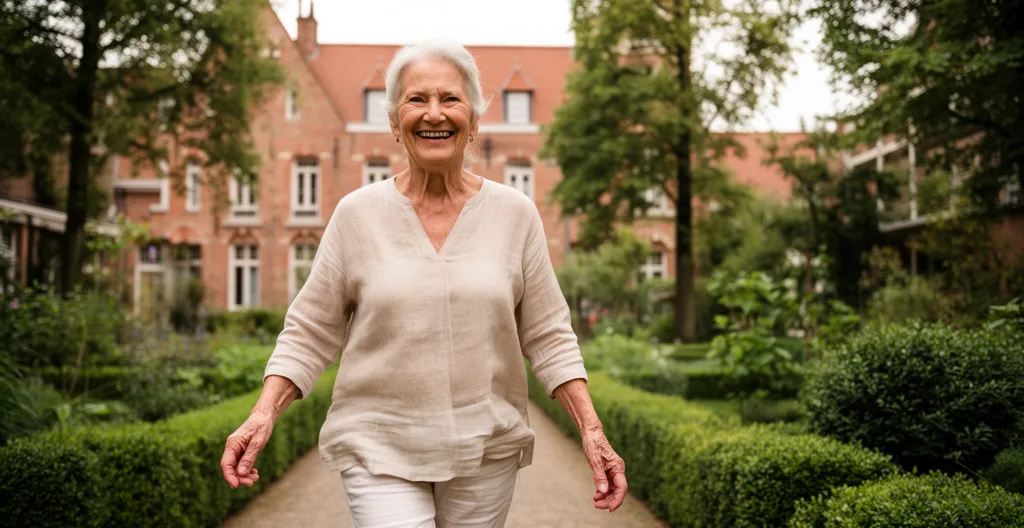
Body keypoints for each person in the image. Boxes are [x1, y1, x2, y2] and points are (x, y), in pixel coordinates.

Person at [220, 38, 628, 527]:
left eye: (450, 99)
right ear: (394, 122)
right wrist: (263, 414)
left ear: (474, 121)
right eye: (417, 100)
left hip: (484, 449)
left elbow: (548, 334)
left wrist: (592, 429)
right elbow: (309, 331)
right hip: (378, 444)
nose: (434, 113)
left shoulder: (515, 215)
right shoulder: (356, 215)